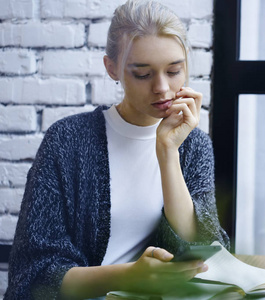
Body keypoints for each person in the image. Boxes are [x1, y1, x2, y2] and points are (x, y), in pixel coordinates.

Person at [5, 0, 230, 299]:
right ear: (112, 69)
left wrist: (167, 152)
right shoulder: (67, 141)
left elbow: (205, 248)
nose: (162, 88)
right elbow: (34, 274)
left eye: (174, 71)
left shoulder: (193, 145)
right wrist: (130, 275)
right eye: (143, 74)